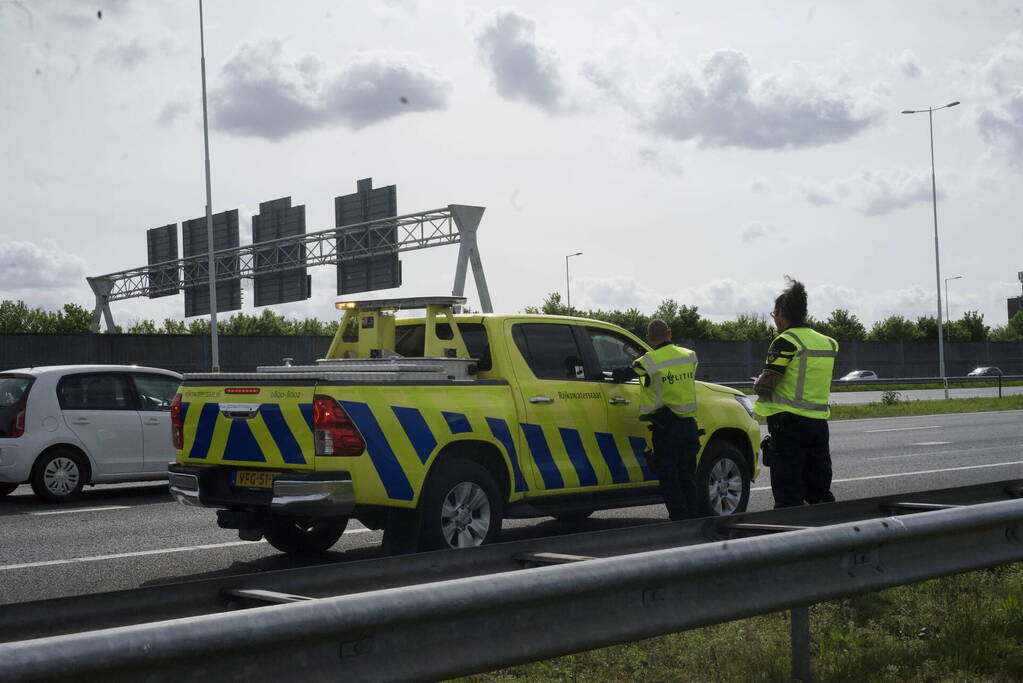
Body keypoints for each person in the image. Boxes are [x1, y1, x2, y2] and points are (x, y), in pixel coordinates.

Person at [753, 277, 839, 508]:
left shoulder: (785, 341)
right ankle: (834, 536)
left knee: (788, 496)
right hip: (819, 426)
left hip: (789, 427)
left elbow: (768, 383)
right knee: (819, 492)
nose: (775, 321)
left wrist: (757, 384)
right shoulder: (828, 343)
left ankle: (791, 539)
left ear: (780, 312)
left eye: (774, 315)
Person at [613, 319, 701, 520]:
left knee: (670, 479)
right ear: (669, 333)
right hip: (689, 426)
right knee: (688, 477)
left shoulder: (649, 360)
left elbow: (623, 375)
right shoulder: (690, 356)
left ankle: (679, 521)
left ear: (648, 338)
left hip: (667, 428)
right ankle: (695, 520)